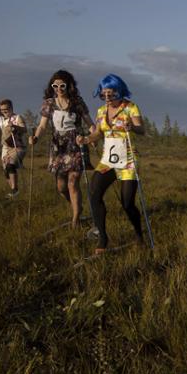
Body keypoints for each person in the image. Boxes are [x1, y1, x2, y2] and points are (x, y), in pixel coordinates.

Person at [76, 74, 145, 253]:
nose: (107, 97)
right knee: (94, 193)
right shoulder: (101, 111)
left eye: (110, 93)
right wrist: (86, 139)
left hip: (128, 160)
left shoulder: (130, 107)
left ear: (119, 91)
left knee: (127, 203)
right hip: (108, 160)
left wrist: (132, 127)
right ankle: (103, 238)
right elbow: (98, 133)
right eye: (103, 93)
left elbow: (142, 129)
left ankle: (139, 235)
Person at [29, 70, 94, 227]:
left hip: (76, 143)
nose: (59, 88)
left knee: (73, 182)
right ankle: (76, 206)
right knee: (61, 187)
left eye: (62, 85)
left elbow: (89, 122)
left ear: (69, 85)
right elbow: (42, 125)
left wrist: (93, 137)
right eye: (55, 86)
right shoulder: (49, 103)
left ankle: (75, 219)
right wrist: (35, 137)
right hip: (59, 146)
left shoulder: (77, 102)